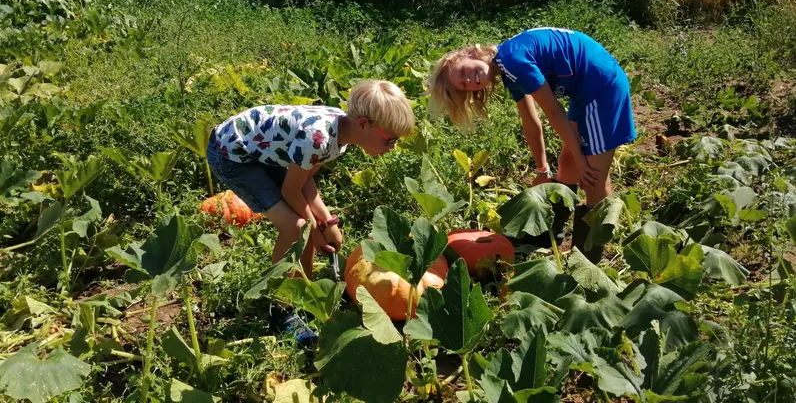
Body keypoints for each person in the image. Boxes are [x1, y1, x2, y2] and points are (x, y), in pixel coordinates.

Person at [206, 80, 415, 345]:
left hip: (264, 151)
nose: (393, 147)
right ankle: (282, 310)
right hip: (231, 156)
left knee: (306, 225)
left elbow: (305, 181)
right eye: (391, 140)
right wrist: (315, 229)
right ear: (364, 124)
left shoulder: (342, 135)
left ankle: (303, 292)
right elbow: (291, 191)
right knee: (294, 226)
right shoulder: (318, 138)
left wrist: (328, 221)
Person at [427, 27, 636, 262]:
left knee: (593, 178)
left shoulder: (513, 60)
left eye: (464, 71)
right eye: (464, 85)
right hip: (584, 90)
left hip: (602, 88)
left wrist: (580, 157)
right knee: (568, 162)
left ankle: (589, 260)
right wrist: (542, 169)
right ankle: (550, 233)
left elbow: (554, 112)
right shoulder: (507, 69)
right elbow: (530, 120)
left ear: (470, 53)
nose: (470, 79)